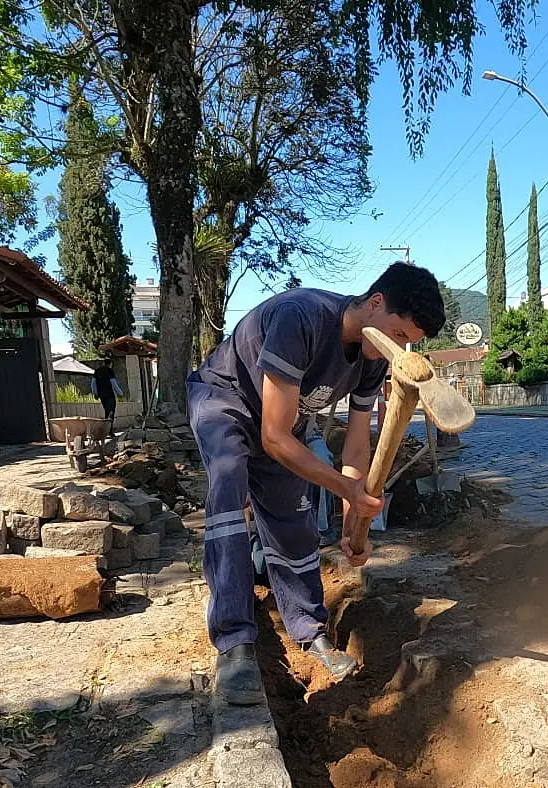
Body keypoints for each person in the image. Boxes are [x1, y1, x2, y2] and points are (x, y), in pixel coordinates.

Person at [188, 262, 444, 704]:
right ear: (376, 303)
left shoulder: (372, 359)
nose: (399, 349)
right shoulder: (301, 318)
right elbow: (273, 437)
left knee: (292, 516)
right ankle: (235, 644)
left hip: (283, 421)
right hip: (224, 398)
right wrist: (345, 489)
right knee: (229, 483)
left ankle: (308, 628)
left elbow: (356, 449)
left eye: (409, 343)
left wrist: (353, 524)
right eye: (399, 335)